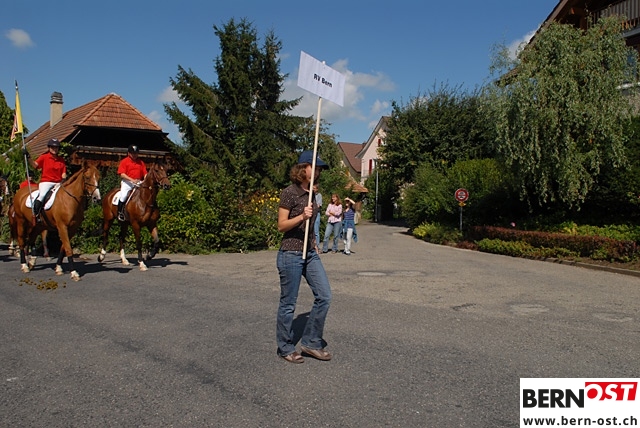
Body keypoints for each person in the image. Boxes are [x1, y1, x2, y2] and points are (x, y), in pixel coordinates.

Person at [276, 150, 332, 364]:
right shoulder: (289, 193)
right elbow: (281, 225)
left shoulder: (313, 194)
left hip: (309, 252)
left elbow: (312, 225)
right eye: (314, 167)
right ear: (303, 168)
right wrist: (301, 216)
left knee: (324, 296)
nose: (317, 172)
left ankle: (311, 343)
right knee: (288, 303)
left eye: (319, 169)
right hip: (290, 252)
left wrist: (314, 243)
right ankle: (285, 347)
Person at [25, 138, 67, 220]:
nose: (54, 149)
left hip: (58, 183)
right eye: (52, 147)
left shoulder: (61, 160)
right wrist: (28, 157)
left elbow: (63, 173)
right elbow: (35, 165)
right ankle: (36, 215)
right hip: (46, 182)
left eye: (56, 147)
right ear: (49, 148)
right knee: (42, 195)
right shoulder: (44, 157)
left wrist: (63, 179)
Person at [117, 144, 147, 221]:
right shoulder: (124, 161)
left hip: (139, 182)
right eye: (133, 153)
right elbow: (122, 174)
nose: (134, 155)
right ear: (129, 153)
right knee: (123, 196)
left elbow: (145, 174)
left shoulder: (141, 162)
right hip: (127, 182)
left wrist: (145, 180)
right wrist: (132, 180)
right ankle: (120, 212)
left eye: (136, 153)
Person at [313, 184, 323, 251]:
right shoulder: (309, 195)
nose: (313, 189)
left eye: (314, 188)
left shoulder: (319, 195)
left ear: (317, 189)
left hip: (316, 214)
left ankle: (317, 246)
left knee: (316, 231)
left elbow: (318, 205)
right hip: (310, 213)